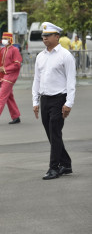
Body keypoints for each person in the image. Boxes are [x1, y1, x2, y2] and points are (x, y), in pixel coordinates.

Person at [32, 22, 76, 180]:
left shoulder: (65, 55)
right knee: (51, 134)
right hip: (45, 99)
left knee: (55, 132)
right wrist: (35, 101)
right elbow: (37, 79)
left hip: (59, 98)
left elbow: (71, 81)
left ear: (57, 36)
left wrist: (69, 103)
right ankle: (66, 163)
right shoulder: (40, 56)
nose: (44, 38)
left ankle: (54, 167)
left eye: (48, 35)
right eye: (43, 36)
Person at [0, 32, 22, 125]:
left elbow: (17, 64)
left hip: (10, 76)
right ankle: (16, 116)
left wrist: (6, 69)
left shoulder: (15, 50)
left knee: (2, 96)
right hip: (1, 76)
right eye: (3, 38)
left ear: (10, 39)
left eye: (6, 38)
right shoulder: (2, 49)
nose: (3, 40)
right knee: (9, 97)